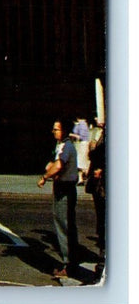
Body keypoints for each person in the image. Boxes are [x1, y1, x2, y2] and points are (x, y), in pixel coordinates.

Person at [38, 119, 79, 279]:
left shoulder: (66, 146)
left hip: (65, 190)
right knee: (66, 226)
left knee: (64, 227)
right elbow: (55, 162)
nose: (53, 131)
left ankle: (69, 266)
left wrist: (44, 177)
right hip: (63, 188)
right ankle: (70, 263)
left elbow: (59, 166)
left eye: (56, 129)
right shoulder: (61, 145)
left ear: (64, 131)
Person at [85, 121, 106, 265]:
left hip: (103, 186)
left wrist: (92, 150)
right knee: (101, 222)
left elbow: (99, 154)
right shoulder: (104, 134)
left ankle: (103, 263)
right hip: (99, 186)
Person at [70, 115, 90, 183]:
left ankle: (83, 177)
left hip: (82, 144)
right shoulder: (80, 124)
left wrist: (71, 135)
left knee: (81, 161)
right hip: (79, 144)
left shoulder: (82, 124)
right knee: (80, 161)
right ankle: (80, 178)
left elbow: (81, 137)